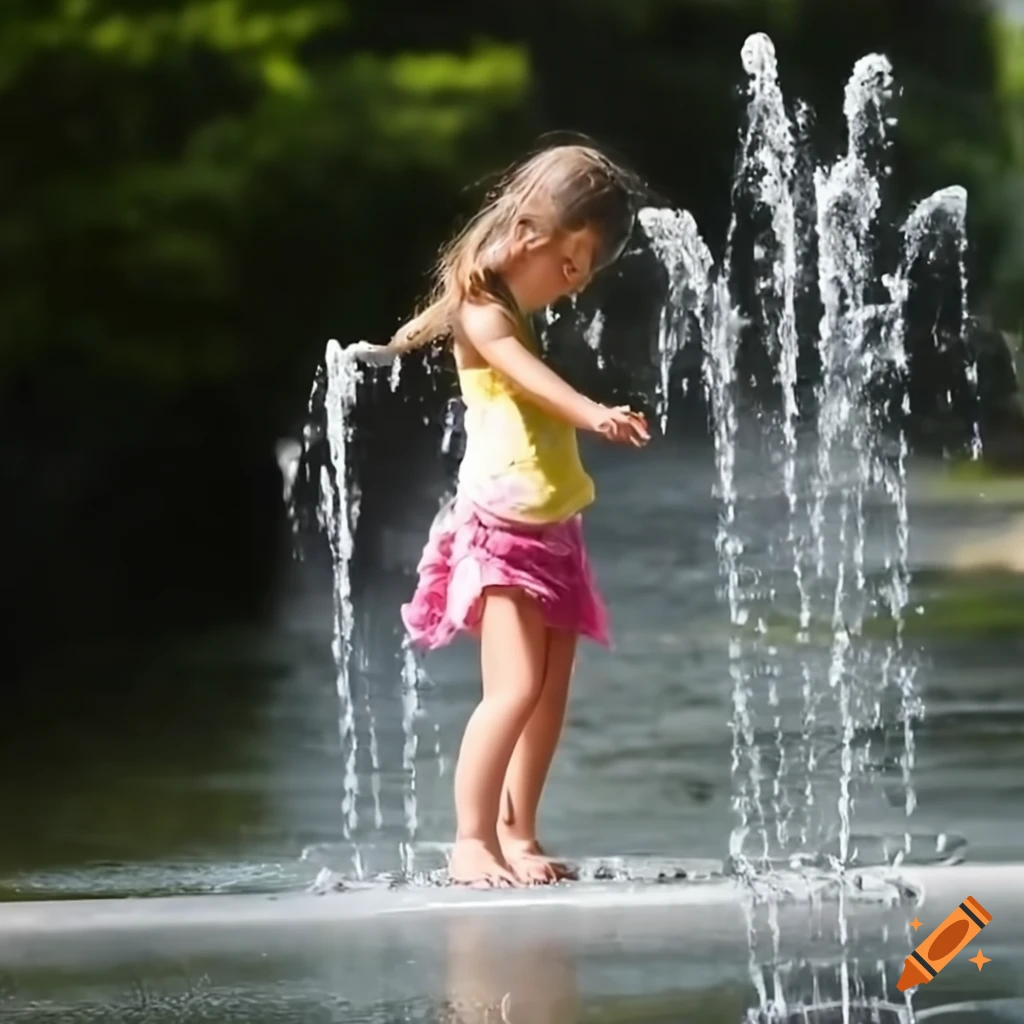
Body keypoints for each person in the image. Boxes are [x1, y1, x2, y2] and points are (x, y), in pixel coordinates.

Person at [351, 143, 650, 887]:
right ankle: (470, 840)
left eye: (586, 272)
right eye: (573, 261)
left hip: (553, 528)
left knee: (548, 698)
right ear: (529, 234)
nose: (573, 282)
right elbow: (529, 378)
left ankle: (519, 835)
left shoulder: (512, 309)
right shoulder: (485, 312)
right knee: (512, 689)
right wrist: (594, 414)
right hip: (504, 531)